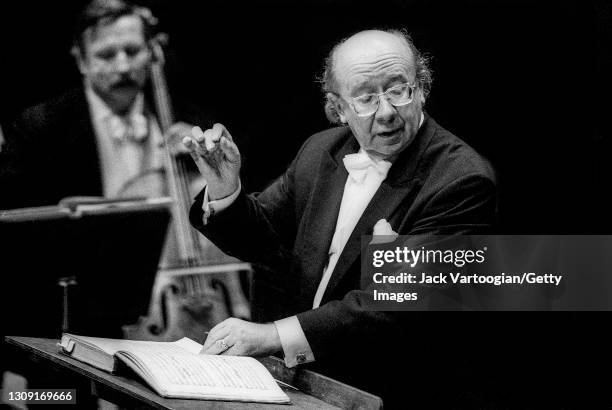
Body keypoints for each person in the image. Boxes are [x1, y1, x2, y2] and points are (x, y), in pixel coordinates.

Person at [184, 29, 497, 408]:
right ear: (338, 108)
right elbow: (264, 241)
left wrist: (271, 336)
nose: (385, 112)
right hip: (298, 383)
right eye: (365, 98)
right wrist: (224, 188)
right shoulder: (320, 150)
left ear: (422, 88)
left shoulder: (461, 178)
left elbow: (395, 302)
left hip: (385, 389)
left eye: (398, 90)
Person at [0, 0, 204, 209]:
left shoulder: (186, 115)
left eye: (133, 51)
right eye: (106, 55)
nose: (123, 66)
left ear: (150, 52)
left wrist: (208, 158)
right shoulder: (41, 127)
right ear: (81, 60)